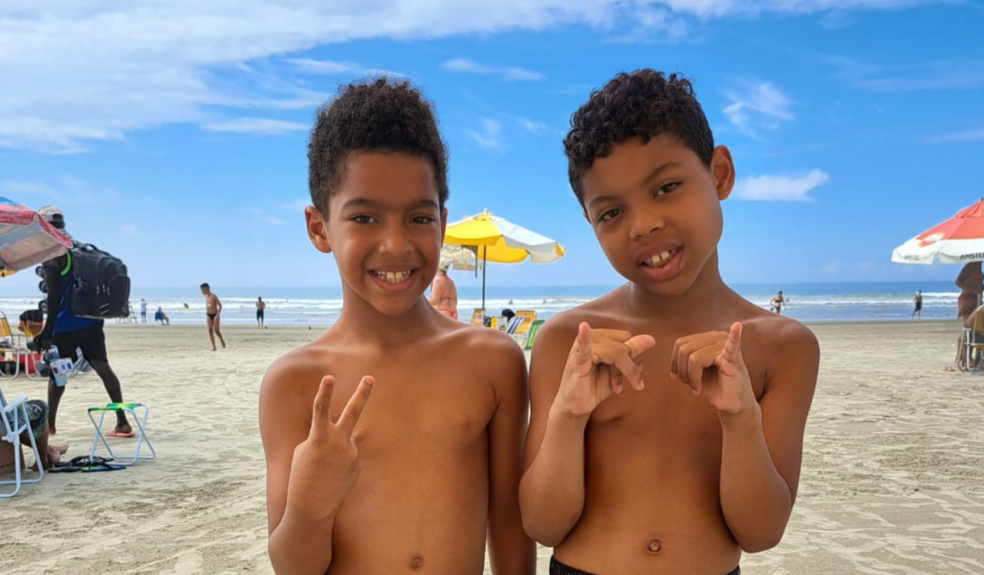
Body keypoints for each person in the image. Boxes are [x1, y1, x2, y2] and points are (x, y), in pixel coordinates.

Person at [519, 70, 820, 575]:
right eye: (611, 212)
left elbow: (761, 532)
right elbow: (542, 524)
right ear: (591, 224)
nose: (644, 224)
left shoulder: (782, 346)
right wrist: (567, 418)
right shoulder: (570, 341)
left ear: (719, 173)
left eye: (667, 187)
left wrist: (740, 419)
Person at [258, 77, 534, 574]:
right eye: (364, 218)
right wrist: (310, 504)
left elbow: (509, 524)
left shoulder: (494, 361)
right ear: (319, 228)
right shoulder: (295, 382)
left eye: (419, 219)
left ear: (443, 223)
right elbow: (292, 566)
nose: (396, 245)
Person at [34, 206, 133, 438]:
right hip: (91, 320)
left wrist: (47, 330)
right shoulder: (75, 245)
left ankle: (50, 426)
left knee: (57, 375)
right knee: (103, 367)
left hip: (66, 325)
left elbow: (54, 296)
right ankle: (122, 422)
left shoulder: (52, 253)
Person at [200, 283, 226, 351]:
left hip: (215, 314)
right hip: (208, 314)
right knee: (209, 330)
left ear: (206, 289)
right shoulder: (205, 296)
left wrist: (217, 315)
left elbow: (220, 306)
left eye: (202, 290)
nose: (201, 292)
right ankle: (214, 347)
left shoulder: (213, 296)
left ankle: (221, 340)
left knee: (216, 331)